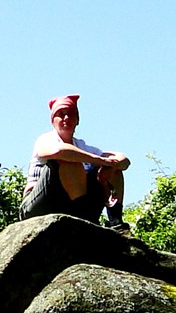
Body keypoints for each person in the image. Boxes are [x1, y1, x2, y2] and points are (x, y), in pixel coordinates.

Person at [22, 94, 131, 227]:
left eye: (70, 114)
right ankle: (83, 218)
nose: (66, 118)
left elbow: (123, 161)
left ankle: (115, 221)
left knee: (112, 170)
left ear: (77, 120)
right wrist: (98, 160)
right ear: (53, 121)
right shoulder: (45, 140)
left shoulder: (83, 146)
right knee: (69, 162)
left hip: (69, 206)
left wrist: (110, 164)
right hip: (38, 205)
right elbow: (59, 151)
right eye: (61, 114)